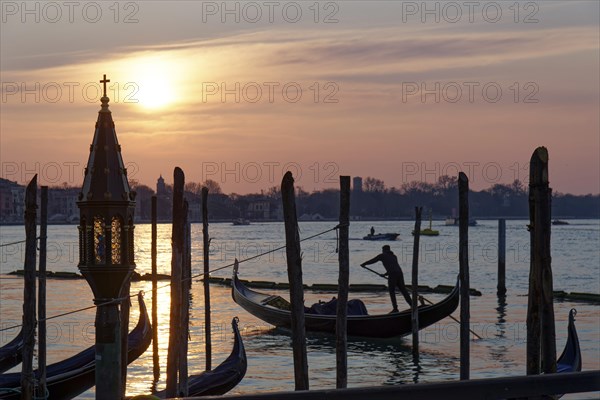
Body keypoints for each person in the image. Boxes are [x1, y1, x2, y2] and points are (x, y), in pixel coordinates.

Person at [361, 245, 412, 313]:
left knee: (391, 291)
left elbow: (373, 260)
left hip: (393, 274)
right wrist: (385, 274)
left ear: (384, 250)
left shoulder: (382, 255)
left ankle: (395, 308)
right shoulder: (394, 256)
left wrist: (364, 264)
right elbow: (393, 267)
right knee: (403, 290)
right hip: (399, 273)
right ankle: (412, 305)